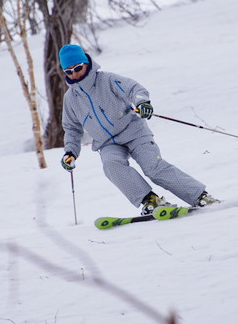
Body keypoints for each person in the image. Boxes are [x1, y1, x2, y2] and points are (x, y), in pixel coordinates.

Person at [58, 44, 219, 215]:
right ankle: (151, 201)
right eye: (69, 71)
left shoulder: (107, 80)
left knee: (152, 166)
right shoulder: (71, 99)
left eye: (78, 68)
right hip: (107, 143)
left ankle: (200, 196)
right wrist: (70, 152)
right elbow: (72, 129)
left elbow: (135, 89)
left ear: (87, 64)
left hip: (134, 132)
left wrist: (142, 102)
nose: (74, 74)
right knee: (111, 166)